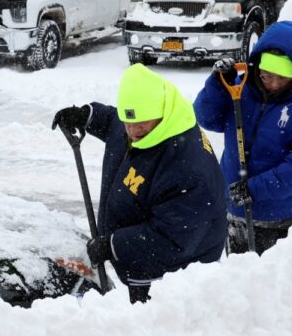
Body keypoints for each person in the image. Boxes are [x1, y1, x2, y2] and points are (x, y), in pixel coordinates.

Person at [52, 64, 227, 303]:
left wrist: (112, 245)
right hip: (143, 262)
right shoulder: (146, 122)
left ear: (162, 113)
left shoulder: (187, 166)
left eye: (141, 125)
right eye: (128, 122)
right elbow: (116, 122)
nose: (132, 131)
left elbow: (171, 238)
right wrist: (88, 116)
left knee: (155, 335)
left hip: (174, 278)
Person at [194, 20, 292, 255]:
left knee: (286, 289)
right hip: (238, 213)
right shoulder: (242, 85)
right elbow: (207, 118)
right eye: (266, 76)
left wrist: (254, 189)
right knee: (239, 285)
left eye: (280, 78)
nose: (271, 84)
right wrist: (217, 85)